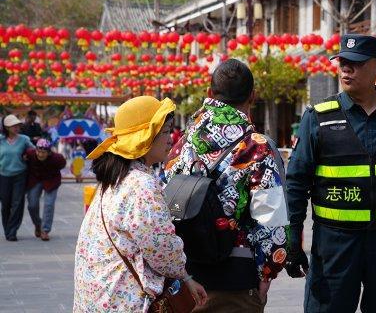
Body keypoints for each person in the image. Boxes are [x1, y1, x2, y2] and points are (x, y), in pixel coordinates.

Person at [285, 34, 376, 312]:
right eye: (342, 63)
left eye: (356, 63)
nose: (346, 69)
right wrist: (293, 243)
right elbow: (295, 185)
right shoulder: (318, 117)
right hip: (334, 246)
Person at [165, 59, 289, 312]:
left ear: (210, 94)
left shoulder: (180, 142)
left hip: (184, 277)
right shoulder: (257, 147)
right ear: (253, 96)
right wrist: (267, 274)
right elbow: (272, 221)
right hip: (236, 278)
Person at [74, 96, 207, 312]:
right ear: (145, 139)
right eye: (165, 132)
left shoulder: (116, 178)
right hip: (124, 301)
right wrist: (185, 275)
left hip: (99, 296)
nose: (170, 139)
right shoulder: (141, 185)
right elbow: (161, 248)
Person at [0, 114, 35, 241]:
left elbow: (35, 152)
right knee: (5, 204)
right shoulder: (1, 140)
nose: (16, 128)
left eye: (17, 125)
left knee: (17, 203)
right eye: (13, 126)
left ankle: (12, 231)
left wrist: (27, 155)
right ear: (7, 127)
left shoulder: (24, 139)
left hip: (20, 175)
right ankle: (7, 229)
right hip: (3, 176)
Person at [25, 138, 67, 241]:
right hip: (35, 179)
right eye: (38, 152)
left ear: (49, 152)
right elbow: (24, 154)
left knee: (49, 204)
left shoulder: (57, 158)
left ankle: (45, 230)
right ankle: (38, 224)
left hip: (51, 180)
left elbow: (63, 164)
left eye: (43, 152)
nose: (40, 155)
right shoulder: (30, 154)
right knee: (32, 204)